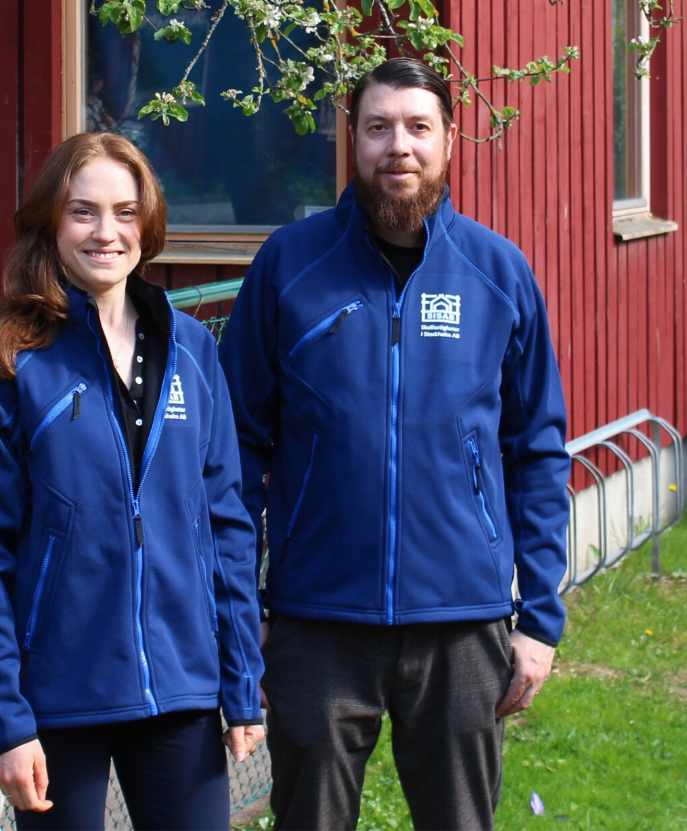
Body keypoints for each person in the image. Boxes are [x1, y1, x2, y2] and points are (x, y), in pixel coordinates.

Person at [220, 57, 572, 830]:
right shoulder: (289, 266)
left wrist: (539, 619)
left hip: (464, 620)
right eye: (379, 127)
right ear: (352, 138)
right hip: (316, 620)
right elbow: (233, 455)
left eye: (418, 127)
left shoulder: (498, 274)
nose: (398, 146)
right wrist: (246, 612)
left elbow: (538, 450)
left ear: (451, 140)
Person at [0, 132, 267, 831]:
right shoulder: (3, 359)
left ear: (146, 223)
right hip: (58, 694)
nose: (106, 231)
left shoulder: (192, 348)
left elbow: (227, 523)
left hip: (182, 684)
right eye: (83, 211)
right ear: (51, 222)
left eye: (124, 211)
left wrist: (242, 680)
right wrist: (6, 720)